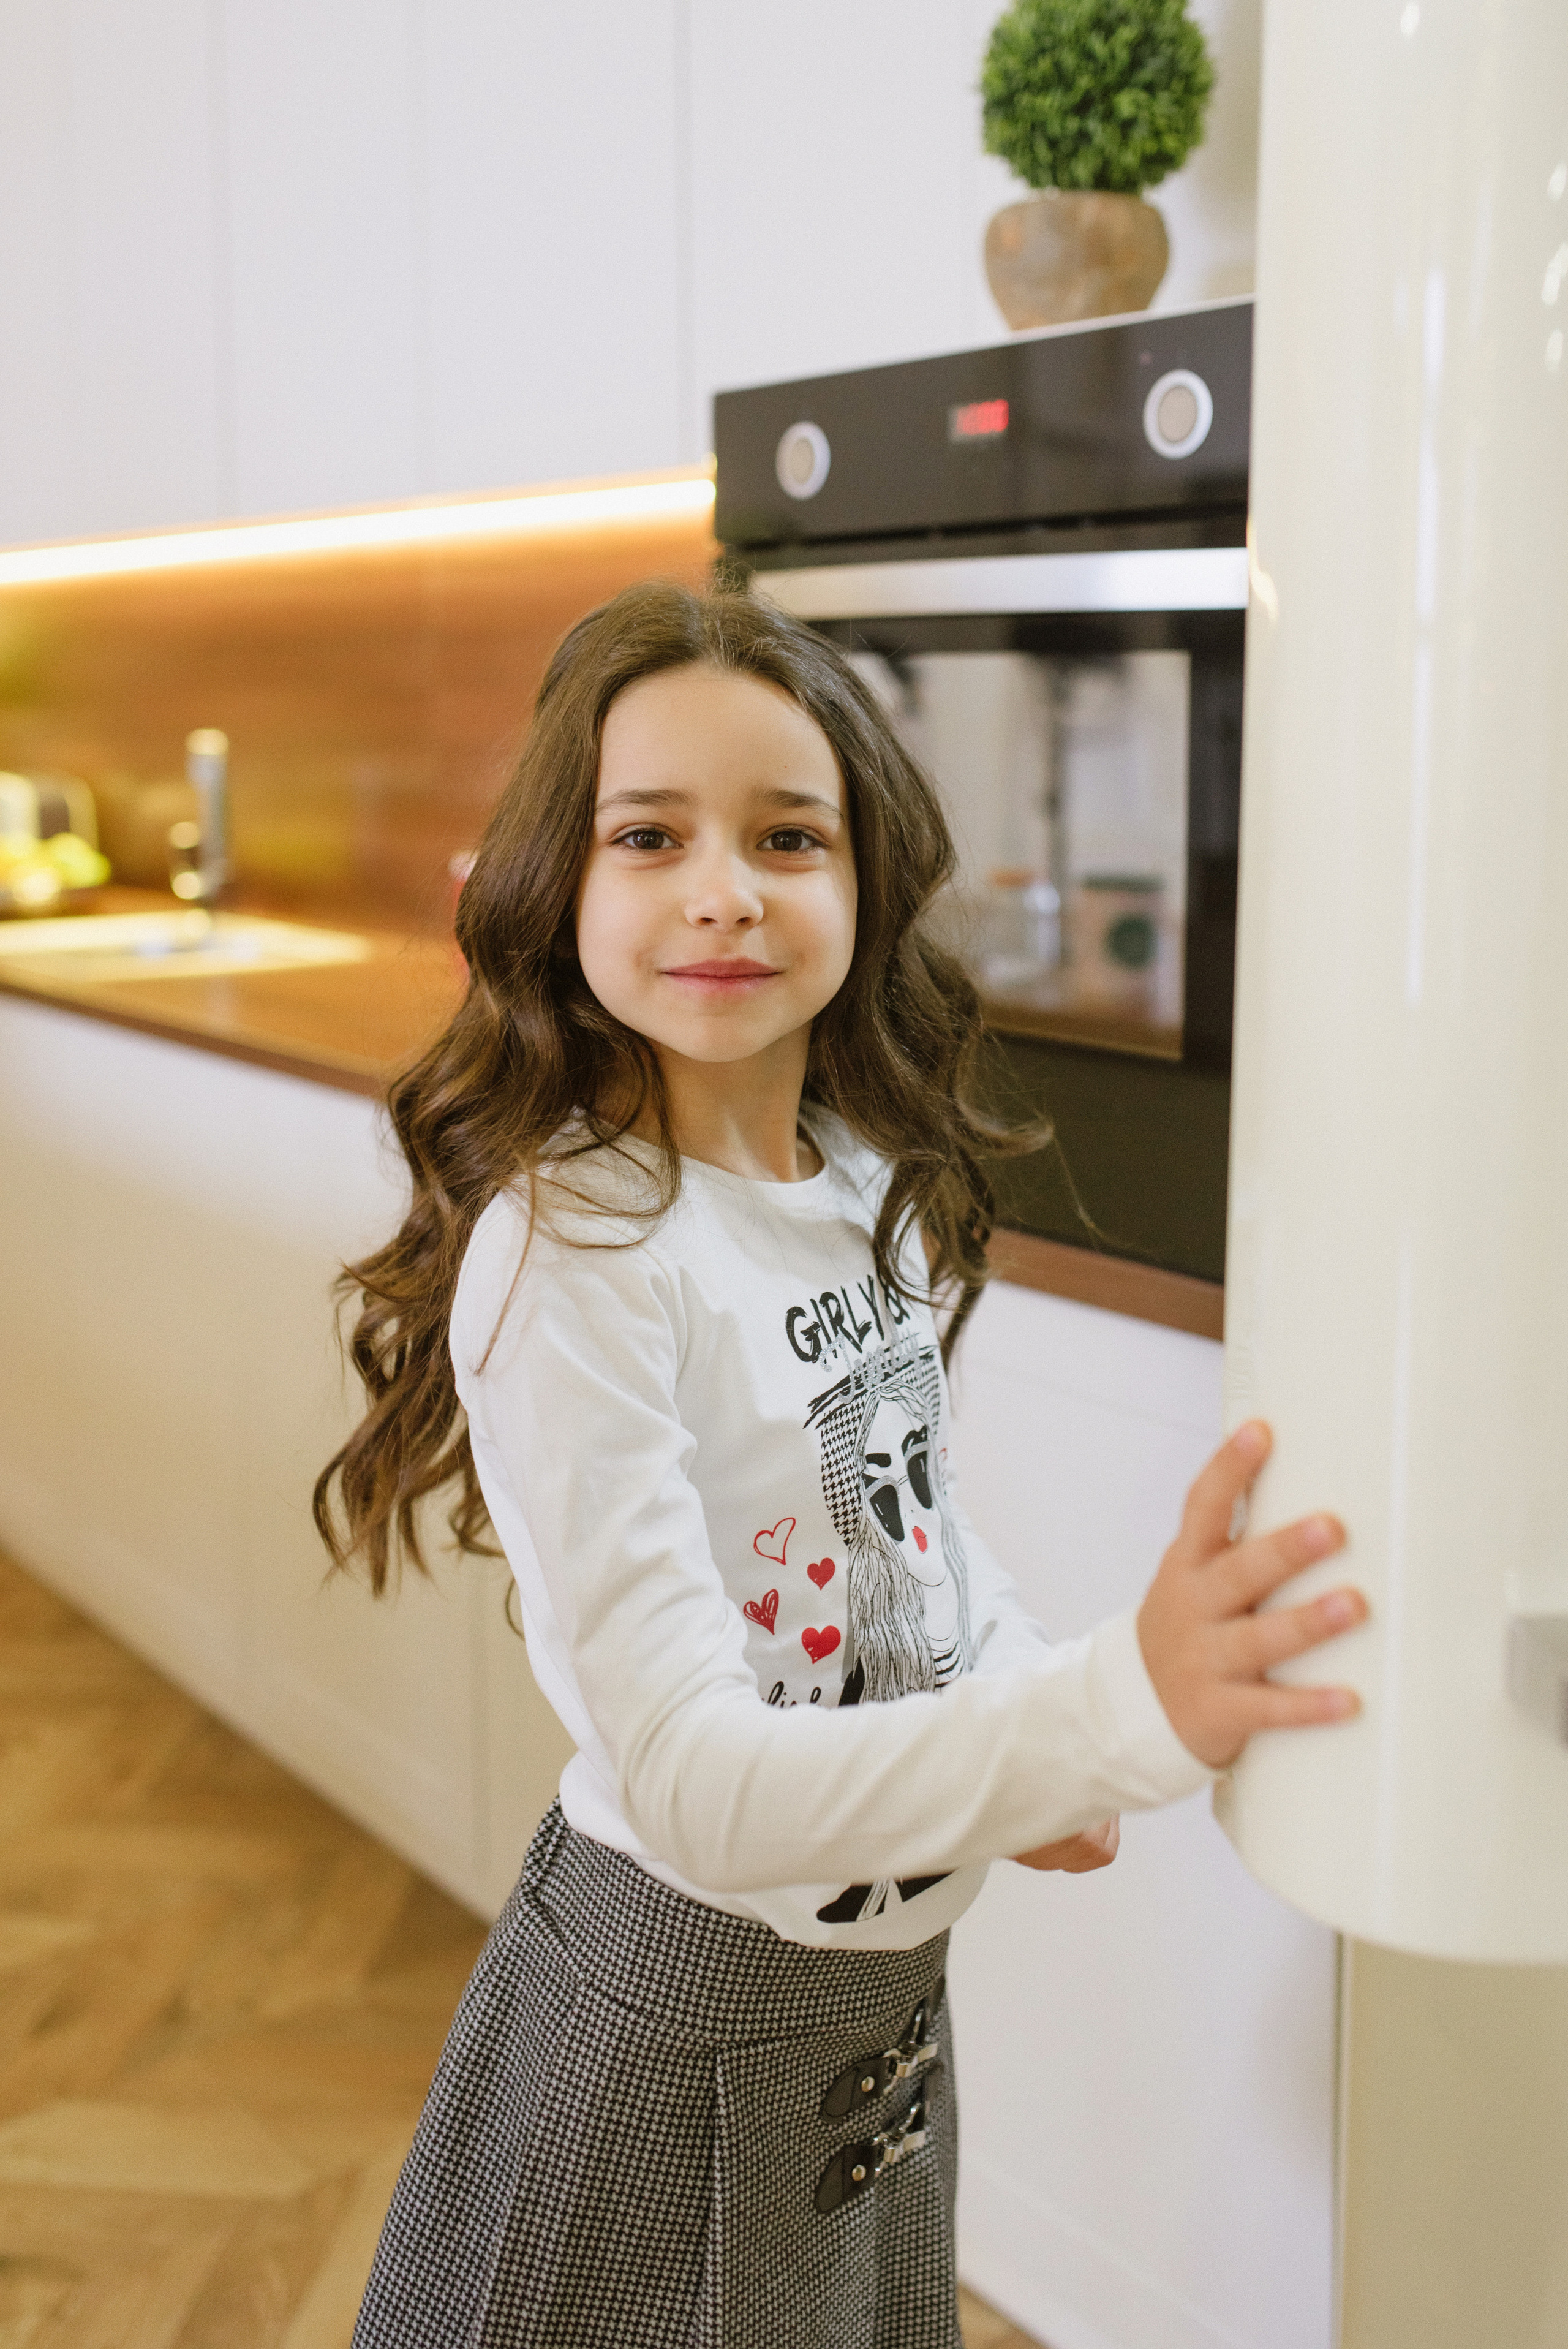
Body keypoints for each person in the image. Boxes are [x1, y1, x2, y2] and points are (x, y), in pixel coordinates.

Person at [316, 581, 1365, 2349]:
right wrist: (1113, 1709)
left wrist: (1015, 1701)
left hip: (877, 2002)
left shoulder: (856, 1181)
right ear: (554, 885)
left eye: (785, 835)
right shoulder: (573, 1250)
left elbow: (913, 1535)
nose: (723, 885)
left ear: (863, 880)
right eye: (648, 834)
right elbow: (707, 1788)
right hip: (678, 2021)